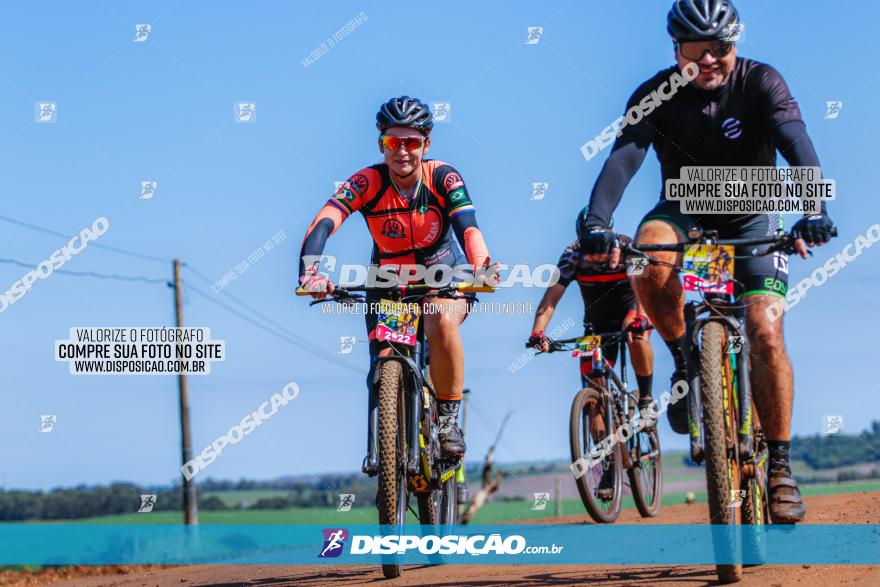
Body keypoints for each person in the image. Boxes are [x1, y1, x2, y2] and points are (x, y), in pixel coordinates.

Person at [577, 0, 836, 523]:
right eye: (699, 52)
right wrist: (596, 220)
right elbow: (625, 155)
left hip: (753, 212)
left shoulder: (762, 81)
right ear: (677, 51)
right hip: (684, 210)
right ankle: (684, 361)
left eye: (721, 49)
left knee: (765, 329)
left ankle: (781, 467)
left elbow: (794, 140)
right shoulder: (657, 93)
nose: (712, 61)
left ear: (734, 44)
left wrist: (815, 208)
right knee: (647, 256)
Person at [298, 96, 495, 466]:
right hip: (389, 281)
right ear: (381, 145)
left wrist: (481, 267)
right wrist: (310, 271)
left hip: (443, 273)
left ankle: (449, 423)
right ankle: (383, 449)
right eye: (393, 142)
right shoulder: (367, 181)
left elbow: (468, 228)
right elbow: (323, 222)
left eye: (411, 142)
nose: (402, 151)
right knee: (382, 358)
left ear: (426, 145)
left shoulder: (443, 177)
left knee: (440, 317)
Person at [528, 220, 655, 500]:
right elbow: (551, 298)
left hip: (629, 310)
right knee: (595, 402)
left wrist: (642, 318)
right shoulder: (572, 254)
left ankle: (645, 398)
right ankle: (609, 467)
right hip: (595, 324)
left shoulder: (627, 246)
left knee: (637, 337)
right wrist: (538, 331)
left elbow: (641, 287)